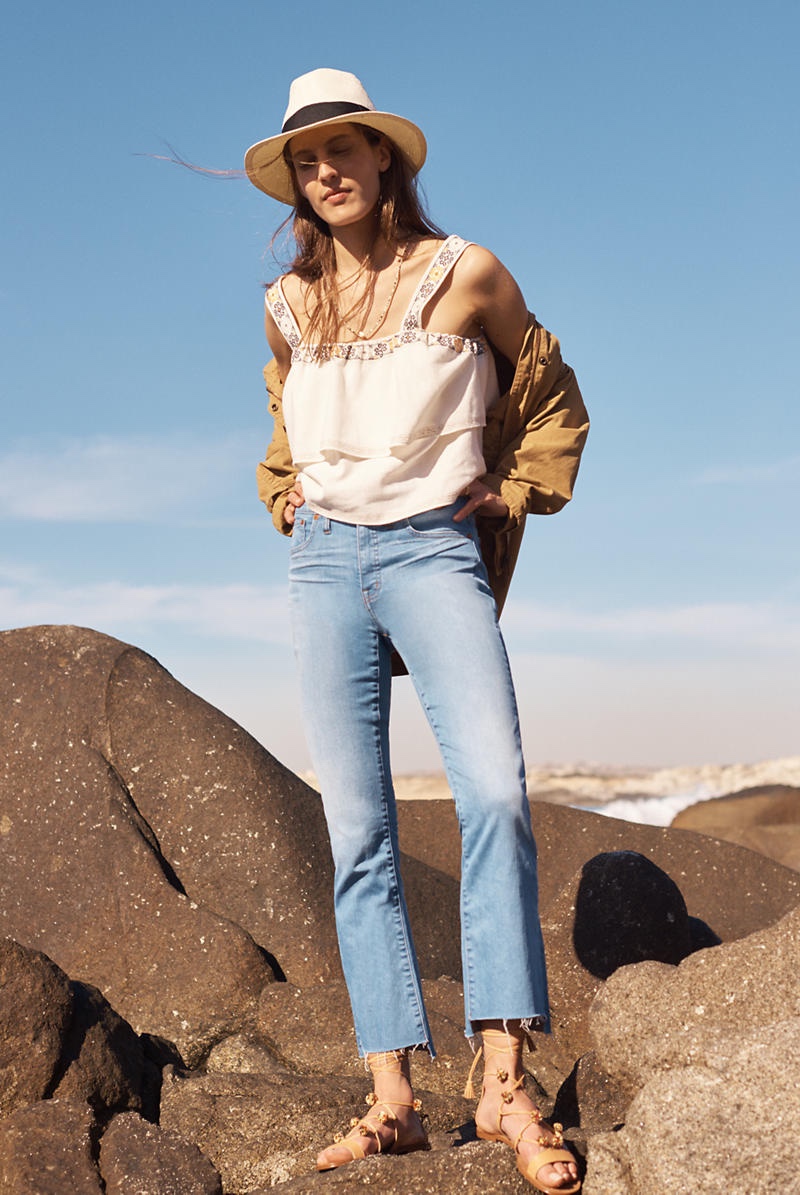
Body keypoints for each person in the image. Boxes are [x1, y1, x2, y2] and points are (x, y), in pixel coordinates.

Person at [246, 68, 588, 1193]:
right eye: (307, 158)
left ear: (386, 157)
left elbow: (547, 394)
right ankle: (391, 1098)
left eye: (345, 148)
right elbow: (290, 420)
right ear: (295, 180)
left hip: (432, 552)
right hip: (324, 565)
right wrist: (285, 487)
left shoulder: (465, 274)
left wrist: (513, 490)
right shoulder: (286, 305)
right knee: (358, 831)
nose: (327, 168)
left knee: (492, 792)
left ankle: (501, 1085)